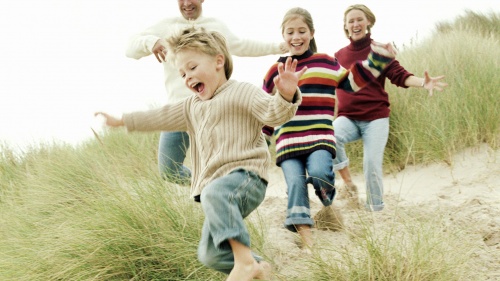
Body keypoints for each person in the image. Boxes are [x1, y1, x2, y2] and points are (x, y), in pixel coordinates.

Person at [97, 27, 305, 281]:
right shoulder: (191, 107)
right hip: (217, 189)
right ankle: (258, 267)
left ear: (219, 61)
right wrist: (122, 121)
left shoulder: (242, 91)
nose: (186, 77)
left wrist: (285, 94)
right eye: (182, 73)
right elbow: (158, 116)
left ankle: (244, 263)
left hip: (247, 177)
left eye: (192, 68)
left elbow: (274, 114)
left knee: (214, 192)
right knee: (210, 254)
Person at [262, 7, 397, 249]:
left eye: (302, 31)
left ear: (311, 33)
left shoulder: (325, 62)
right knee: (295, 184)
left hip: (320, 137)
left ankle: (328, 203)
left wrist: (378, 60)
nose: (296, 37)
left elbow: (353, 82)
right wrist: (262, 141)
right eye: (290, 32)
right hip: (288, 141)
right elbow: (266, 111)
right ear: (283, 36)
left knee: (320, 175)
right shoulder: (275, 71)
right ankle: (308, 243)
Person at [125, 0, 287, 185]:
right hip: (179, 111)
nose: (186, 3)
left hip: (212, 109)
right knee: (169, 171)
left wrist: (277, 47)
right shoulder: (166, 26)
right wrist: (150, 41)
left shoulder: (214, 26)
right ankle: (210, 186)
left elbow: (242, 46)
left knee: (221, 163)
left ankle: (224, 194)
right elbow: (129, 49)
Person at [333, 4, 448, 211]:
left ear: (368, 22)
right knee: (330, 135)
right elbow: (331, 83)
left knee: (371, 166)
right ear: (346, 26)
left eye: (359, 19)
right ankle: (348, 183)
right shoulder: (339, 55)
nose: (355, 24)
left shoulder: (380, 51)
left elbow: (401, 76)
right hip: (348, 117)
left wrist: (424, 82)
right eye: (351, 21)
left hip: (375, 119)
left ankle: (375, 209)